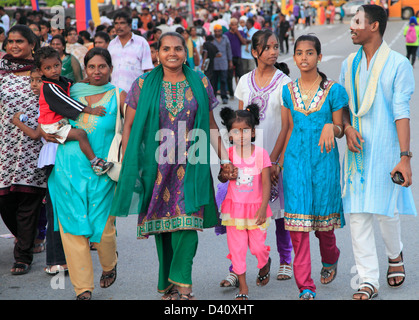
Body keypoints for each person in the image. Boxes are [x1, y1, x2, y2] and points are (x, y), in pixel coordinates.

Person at [110, 32, 233, 300]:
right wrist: (129, 161)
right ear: (157, 53)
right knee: (164, 225)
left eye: (178, 48)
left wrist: (225, 158)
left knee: (189, 222)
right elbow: (129, 126)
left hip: (193, 162)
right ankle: (168, 285)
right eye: (166, 49)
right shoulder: (142, 84)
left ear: (185, 53)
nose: (172, 53)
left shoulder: (200, 81)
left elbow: (211, 125)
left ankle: (183, 284)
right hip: (157, 165)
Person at [340, 5, 417, 300]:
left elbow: (401, 112)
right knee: (358, 213)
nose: (351, 26)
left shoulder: (398, 64)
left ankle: (394, 254)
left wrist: (405, 157)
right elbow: (343, 107)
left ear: (373, 26)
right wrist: (346, 128)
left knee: (386, 210)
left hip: (386, 148)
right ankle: (368, 279)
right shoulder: (349, 64)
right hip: (356, 151)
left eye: (357, 21)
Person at [46, 48, 125, 300]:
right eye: (91, 67)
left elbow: (133, 127)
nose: (97, 71)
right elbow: (47, 119)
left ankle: (109, 264)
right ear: (85, 69)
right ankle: (83, 288)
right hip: (67, 170)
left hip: (102, 172)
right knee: (72, 229)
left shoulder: (119, 96)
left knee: (103, 230)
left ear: (111, 69)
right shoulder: (72, 91)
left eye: (102, 66)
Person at [221, 29, 293, 286]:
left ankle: (285, 259)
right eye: (268, 47)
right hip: (246, 159)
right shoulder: (243, 81)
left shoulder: (285, 82)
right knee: (240, 213)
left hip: (273, 157)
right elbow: (238, 123)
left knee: (279, 212)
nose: (274, 51)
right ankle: (235, 266)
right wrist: (233, 158)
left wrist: (276, 161)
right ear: (255, 52)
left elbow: (287, 126)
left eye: (276, 46)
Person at [279, 35, 347, 300]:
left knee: (323, 227)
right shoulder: (287, 91)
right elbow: (288, 128)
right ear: (294, 58)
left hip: (324, 164)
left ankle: (331, 258)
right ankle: (305, 285)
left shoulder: (334, 90)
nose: (304, 57)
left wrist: (333, 126)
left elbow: (341, 129)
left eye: (309, 53)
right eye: (299, 53)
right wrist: (279, 162)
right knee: (297, 227)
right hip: (295, 164)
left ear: (319, 57)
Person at [11, 67, 68, 275]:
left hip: (57, 155)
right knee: (55, 207)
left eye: (38, 80)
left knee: (57, 208)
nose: (35, 85)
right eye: (32, 81)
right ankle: (58, 258)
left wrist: (17, 122)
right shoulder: (40, 102)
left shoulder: (51, 100)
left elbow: (37, 134)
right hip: (50, 157)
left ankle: (59, 259)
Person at [0, 25, 46, 275]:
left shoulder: (41, 72)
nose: (14, 45)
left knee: (29, 201)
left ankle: (23, 256)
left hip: (33, 145)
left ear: (31, 44)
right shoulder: (1, 73)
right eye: (10, 41)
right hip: (5, 147)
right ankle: (27, 237)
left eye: (19, 41)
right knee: (5, 201)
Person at [219, 104, 273, 300]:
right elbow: (222, 178)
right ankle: (243, 288)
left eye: (245, 130)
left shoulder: (261, 154)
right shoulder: (229, 155)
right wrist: (225, 173)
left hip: (256, 209)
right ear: (230, 135)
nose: (240, 135)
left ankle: (264, 263)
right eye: (235, 131)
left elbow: (267, 183)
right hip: (234, 210)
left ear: (252, 132)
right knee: (237, 250)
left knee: (258, 248)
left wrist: (263, 207)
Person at [35, 46, 113, 175]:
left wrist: (82, 82)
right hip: (52, 125)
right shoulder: (50, 87)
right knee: (80, 134)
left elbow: (70, 85)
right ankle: (96, 163)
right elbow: (67, 101)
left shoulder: (59, 80)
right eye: (48, 68)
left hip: (56, 122)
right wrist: (90, 110)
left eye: (56, 65)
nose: (54, 70)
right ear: (40, 71)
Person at [107, 11, 154, 92]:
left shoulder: (141, 43)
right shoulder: (112, 44)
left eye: (122, 23)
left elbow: (148, 71)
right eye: (116, 23)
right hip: (115, 94)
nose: (118, 26)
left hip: (135, 94)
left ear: (129, 25)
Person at [224, 18, 247, 99]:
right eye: (232, 24)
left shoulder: (240, 32)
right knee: (229, 76)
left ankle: (242, 93)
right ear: (230, 25)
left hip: (238, 56)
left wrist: (237, 33)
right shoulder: (226, 35)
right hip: (229, 57)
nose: (234, 26)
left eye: (235, 24)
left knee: (240, 75)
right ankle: (231, 93)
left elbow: (244, 42)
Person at [212, 24, 233, 104]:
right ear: (214, 32)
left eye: (219, 31)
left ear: (221, 31)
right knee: (214, 81)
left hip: (224, 63)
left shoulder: (225, 38)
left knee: (223, 80)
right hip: (214, 64)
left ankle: (224, 97)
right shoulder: (212, 39)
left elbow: (229, 50)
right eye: (216, 31)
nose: (217, 32)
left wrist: (230, 61)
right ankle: (213, 98)